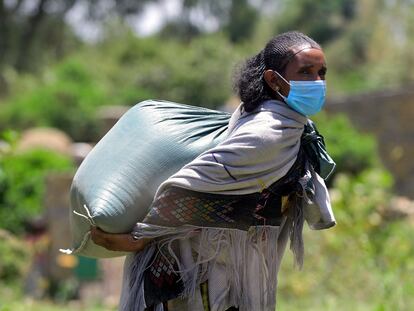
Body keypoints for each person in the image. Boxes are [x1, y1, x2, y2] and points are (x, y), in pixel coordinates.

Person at [91, 31, 335, 311]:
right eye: (306, 72)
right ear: (272, 79)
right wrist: (140, 237)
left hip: (228, 264)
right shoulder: (269, 133)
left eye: (322, 73)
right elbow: (189, 185)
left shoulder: (277, 121)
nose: (317, 82)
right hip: (206, 269)